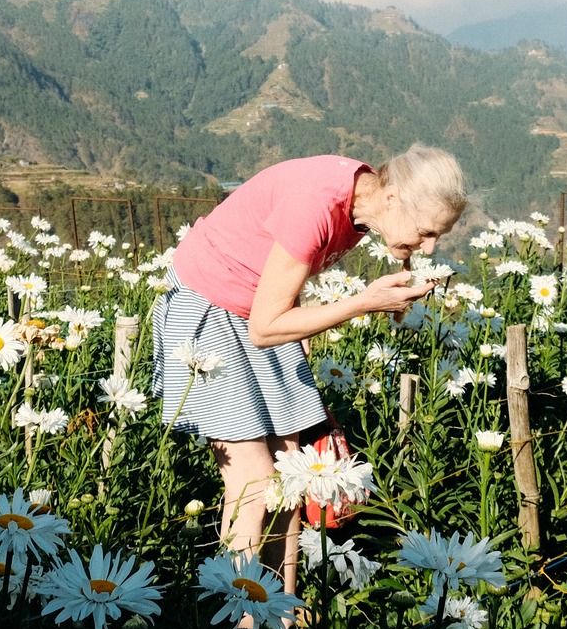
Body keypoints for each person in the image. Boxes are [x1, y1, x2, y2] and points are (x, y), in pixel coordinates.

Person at [152, 144, 467, 584]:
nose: (429, 246)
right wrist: (365, 302)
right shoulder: (317, 205)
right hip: (212, 305)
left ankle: (282, 613)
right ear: (394, 198)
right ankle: (243, 622)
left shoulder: (367, 202)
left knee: (291, 472)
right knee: (256, 481)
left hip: (262, 308)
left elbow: (275, 289)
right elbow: (265, 328)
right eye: (427, 232)